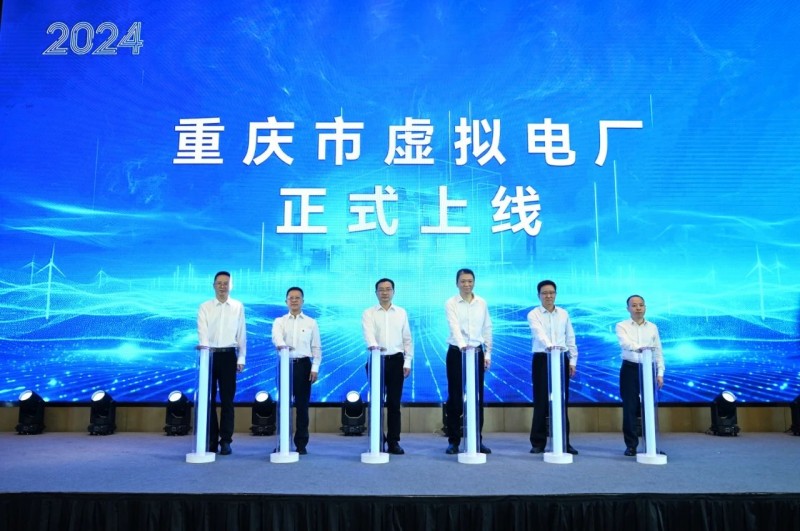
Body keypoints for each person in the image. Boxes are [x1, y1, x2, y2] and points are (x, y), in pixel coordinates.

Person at [196, 271, 247, 455]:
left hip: (228, 356)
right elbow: (202, 333)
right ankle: (211, 440)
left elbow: (241, 334)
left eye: (226, 283)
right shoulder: (204, 307)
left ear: (230, 286)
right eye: (219, 283)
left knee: (227, 401)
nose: (222, 286)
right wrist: (205, 354)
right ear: (214, 285)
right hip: (209, 356)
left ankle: (225, 441)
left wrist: (241, 357)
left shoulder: (238, 306)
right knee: (208, 400)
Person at [362, 278, 413, 455]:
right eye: (381, 289)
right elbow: (369, 335)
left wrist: (408, 361)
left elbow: (407, 339)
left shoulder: (401, 312)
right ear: (376, 292)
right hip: (376, 360)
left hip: (397, 361)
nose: (385, 292)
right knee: (376, 402)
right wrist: (375, 348)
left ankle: (393, 441)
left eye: (388, 289)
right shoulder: (369, 313)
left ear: (393, 292)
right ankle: (377, 438)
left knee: (394, 404)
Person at [444, 268, 493, 455]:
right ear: (457, 283)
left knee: (477, 398)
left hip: (477, 353)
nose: (467, 284)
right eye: (463, 281)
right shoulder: (451, 303)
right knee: (455, 398)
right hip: (457, 353)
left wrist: (487, 354)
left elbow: (487, 328)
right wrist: (464, 346)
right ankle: (454, 441)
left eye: (470, 281)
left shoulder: (482, 303)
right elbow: (454, 326)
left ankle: (476, 440)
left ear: (474, 282)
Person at [527, 280, 579, 455]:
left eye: (551, 293)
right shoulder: (533, 314)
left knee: (561, 401)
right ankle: (538, 442)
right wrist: (551, 347)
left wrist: (572, 360)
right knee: (541, 401)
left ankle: (564, 441)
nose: (548, 296)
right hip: (542, 358)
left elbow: (570, 337)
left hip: (561, 358)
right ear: (539, 295)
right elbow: (539, 333)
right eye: (544, 293)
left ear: (555, 294)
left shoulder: (563, 314)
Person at [271, 287, 321, 455]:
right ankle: (282, 442)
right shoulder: (279, 321)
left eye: (297, 298)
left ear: (302, 301)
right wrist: (283, 346)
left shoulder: (311, 322)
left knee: (302, 406)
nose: (294, 300)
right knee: (283, 405)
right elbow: (276, 338)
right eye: (291, 298)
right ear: (286, 301)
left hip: (303, 366)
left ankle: (301, 443)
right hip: (285, 365)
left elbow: (316, 347)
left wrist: (315, 368)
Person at [615, 294, 665, 456]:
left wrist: (660, 372)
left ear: (645, 307)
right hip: (630, 368)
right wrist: (641, 348)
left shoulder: (652, 327)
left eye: (641, 305)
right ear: (628, 308)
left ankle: (651, 445)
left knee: (649, 406)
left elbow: (658, 350)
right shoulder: (621, 325)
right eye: (634, 305)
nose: (638, 308)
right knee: (630, 407)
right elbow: (625, 343)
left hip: (649, 368)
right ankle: (631, 445)